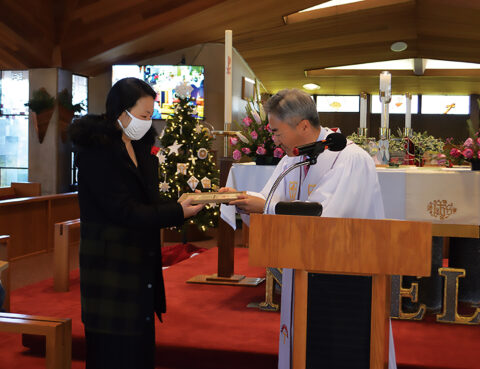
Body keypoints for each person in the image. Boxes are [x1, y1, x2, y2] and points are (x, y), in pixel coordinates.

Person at [220, 88, 396, 369]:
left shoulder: (349, 158)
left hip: (344, 276)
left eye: (278, 132)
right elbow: (273, 199)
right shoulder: (293, 157)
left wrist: (262, 206)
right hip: (301, 271)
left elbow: (325, 214)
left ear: (303, 125)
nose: (274, 139)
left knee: (337, 350)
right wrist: (242, 199)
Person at [69, 77, 204, 369]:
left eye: (150, 116)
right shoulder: (97, 151)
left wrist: (178, 205)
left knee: (140, 349)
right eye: (143, 115)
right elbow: (125, 211)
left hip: (139, 262)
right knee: (113, 352)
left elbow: (147, 202)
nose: (147, 121)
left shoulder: (140, 146)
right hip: (111, 265)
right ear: (121, 111)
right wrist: (177, 212)